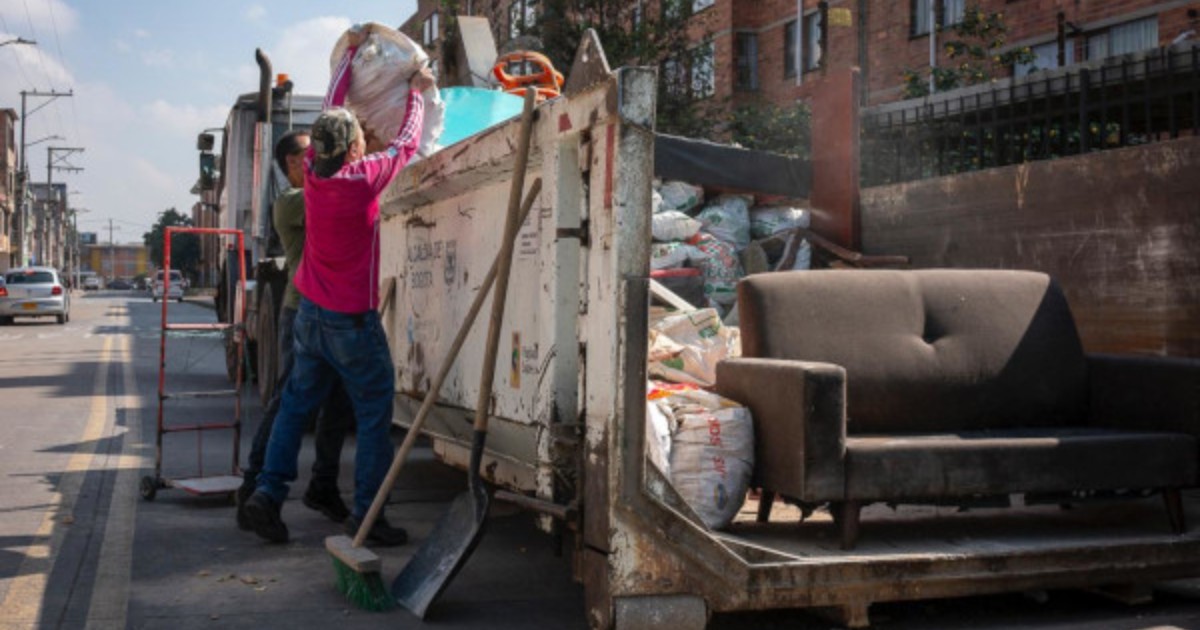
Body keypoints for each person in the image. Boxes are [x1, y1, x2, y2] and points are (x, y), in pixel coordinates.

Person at [244, 23, 436, 545]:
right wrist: (416, 93)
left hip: (310, 317)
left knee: (296, 406)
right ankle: (367, 517)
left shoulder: (313, 172)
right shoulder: (362, 180)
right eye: (356, 137)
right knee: (374, 415)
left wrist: (349, 58)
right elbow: (406, 141)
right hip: (352, 322)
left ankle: (267, 493)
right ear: (354, 147)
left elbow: (331, 104)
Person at [236, 129, 354, 530]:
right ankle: (254, 487)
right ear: (292, 162)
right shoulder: (290, 202)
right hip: (301, 313)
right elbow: (341, 192)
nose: (321, 155)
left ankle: (323, 485)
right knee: (290, 403)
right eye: (311, 151)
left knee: (337, 406)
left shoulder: (314, 190)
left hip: (335, 313)